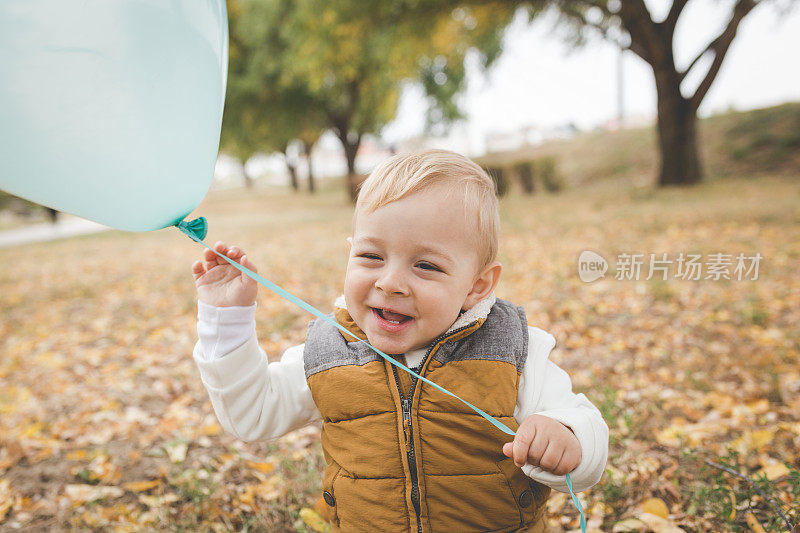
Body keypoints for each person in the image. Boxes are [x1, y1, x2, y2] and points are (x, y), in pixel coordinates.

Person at [191, 149, 609, 532]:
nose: (390, 282)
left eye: (425, 265)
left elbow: (587, 435)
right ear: (349, 254)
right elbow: (251, 415)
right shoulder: (328, 355)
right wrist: (226, 321)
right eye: (371, 257)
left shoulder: (513, 352)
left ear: (476, 286)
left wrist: (566, 436)